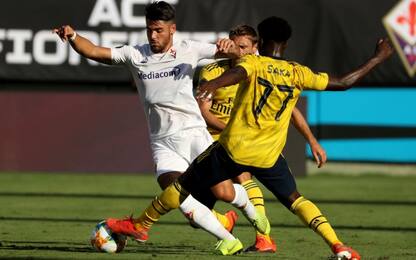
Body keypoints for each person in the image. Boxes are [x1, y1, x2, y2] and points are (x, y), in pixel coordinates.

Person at [128, 16, 393, 258]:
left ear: (261, 42)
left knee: (182, 185)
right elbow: (344, 82)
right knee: (296, 200)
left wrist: (214, 84)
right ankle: (339, 246)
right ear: (286, 44)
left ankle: (141, 224)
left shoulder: (252, 63)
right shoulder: (298, 72)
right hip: (268, 155)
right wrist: (378, 58)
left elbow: (237, 73)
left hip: (234, 148)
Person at [53, 0, 256, 247]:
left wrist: (230, 47)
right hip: (162, 142)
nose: (152, 35)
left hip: (194, 135)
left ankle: (260, 224)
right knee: (176, 195)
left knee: (223, 192)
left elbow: (235, 53)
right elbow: (93, 51)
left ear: (172, 29)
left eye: (158, 30)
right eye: (149, 29)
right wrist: (73, 36)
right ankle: (229, 240)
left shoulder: (189, 49)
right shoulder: (135, 54)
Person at [197, 24, 327, 253]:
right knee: (205, 200)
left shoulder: (261, 69)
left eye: (244, 47)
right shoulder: (212, 71)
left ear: (255, 47)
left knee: (245, 179)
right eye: (235, 46)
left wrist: (312, 140)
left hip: (245, 143)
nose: (240, 51)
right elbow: (203, 111)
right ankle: (226, 221)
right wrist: (231, 128)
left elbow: (293, 111)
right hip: (215, 139)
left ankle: (263, 238)